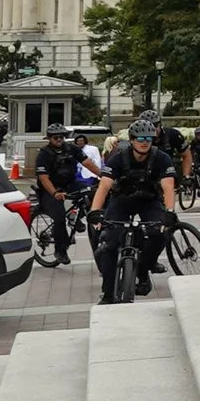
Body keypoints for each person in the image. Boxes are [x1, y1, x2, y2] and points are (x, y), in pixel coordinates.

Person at [92, 117, 177, 303]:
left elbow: (168, 187)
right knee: (110, 245)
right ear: (131, 140)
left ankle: (143, 269)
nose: (145, 142)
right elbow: (104, 187)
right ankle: (107, 294)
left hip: (149, 201)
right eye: (140, 138)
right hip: (121, 201)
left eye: (149, 138)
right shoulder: (118, 158)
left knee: (160, 234)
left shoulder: (161, 158)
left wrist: (169, 212)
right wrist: (95, 212)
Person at [30, 122, 85, 265]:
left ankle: (75, 218)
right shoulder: (44, 154)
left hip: (69, 184)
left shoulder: (71, 149)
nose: (59, 140)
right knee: (59, 217)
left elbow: (87, 162)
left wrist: (103, 176)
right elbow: (43, 178)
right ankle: (60, 250)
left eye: (61, 137)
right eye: (55, 138)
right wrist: (54, 193)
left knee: (91, 192)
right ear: (49, 139)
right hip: (50, 189)